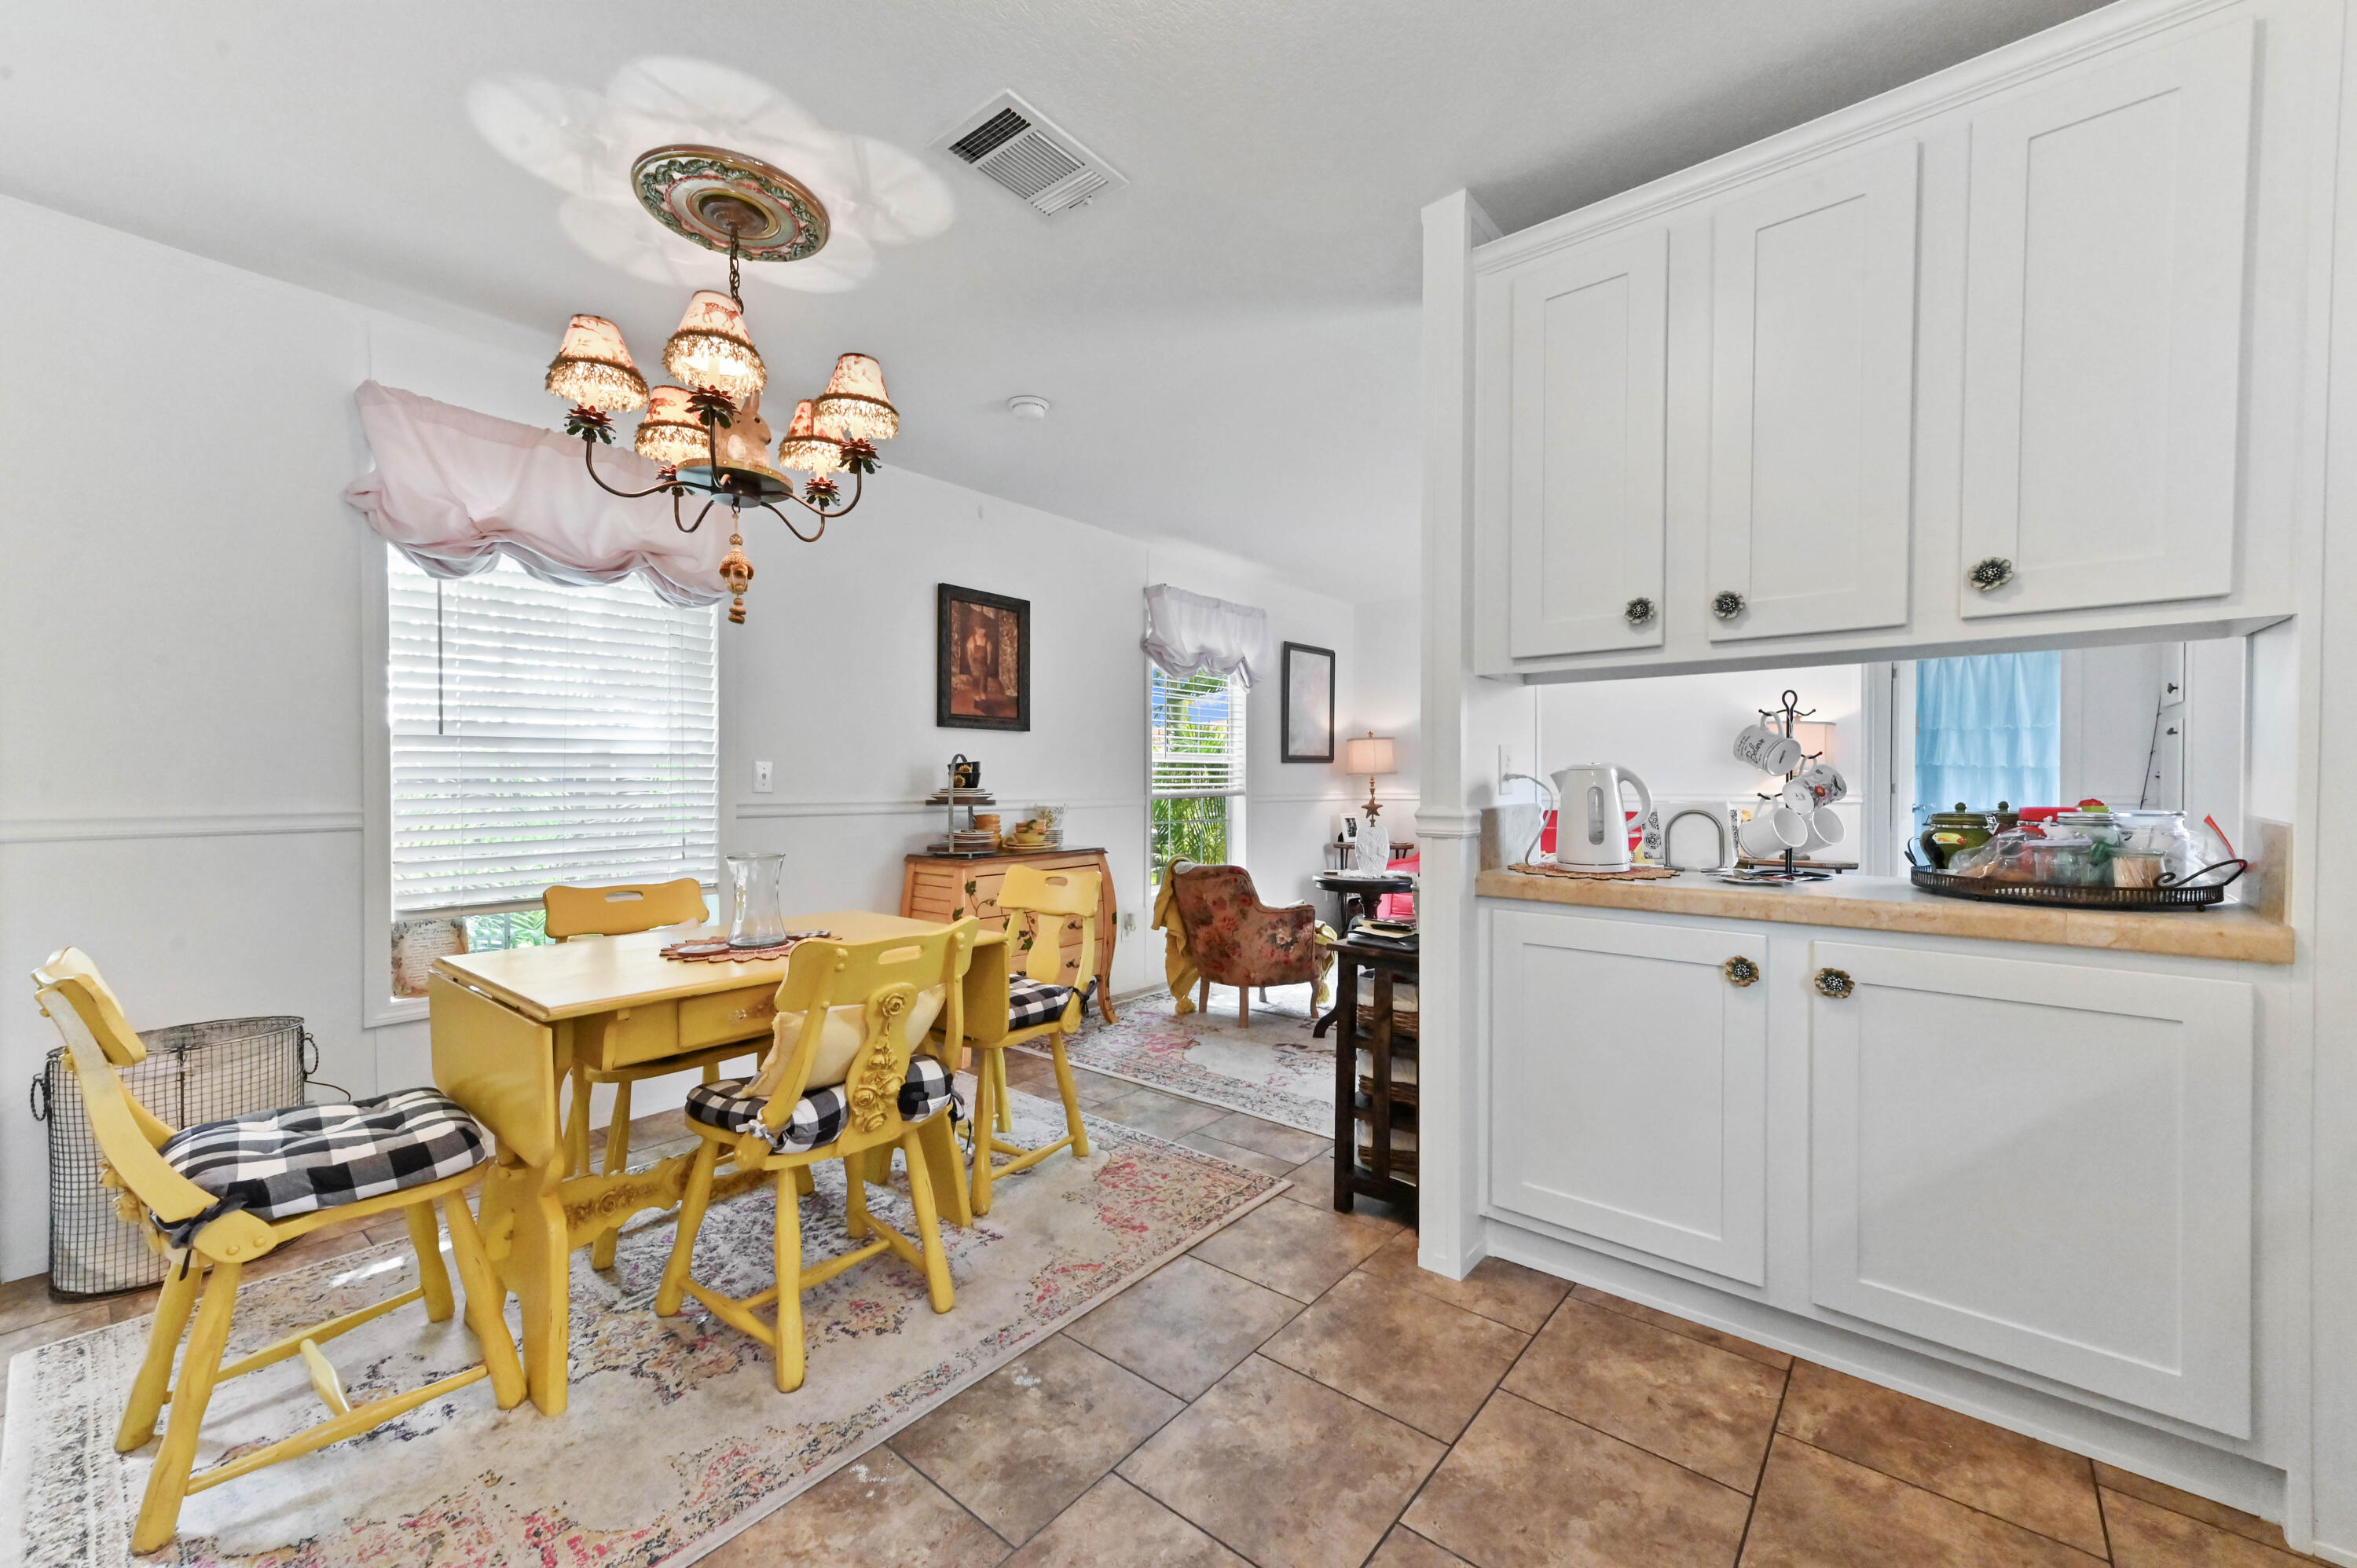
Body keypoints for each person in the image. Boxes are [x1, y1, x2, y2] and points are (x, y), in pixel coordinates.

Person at [953, 605, 1018, 718]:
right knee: (976, 683)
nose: (981, 631)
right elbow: (969, 654)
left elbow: (989, 656)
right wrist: (972, 664)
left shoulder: (987, 641)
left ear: (985, 630)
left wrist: (986, 666)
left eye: (983, 629)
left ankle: (983, 703)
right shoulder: (972, 640)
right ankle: (978, 702)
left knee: (983, 683)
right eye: (979, 629)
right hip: (974, 665)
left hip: (983, 666)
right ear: (976, 629)